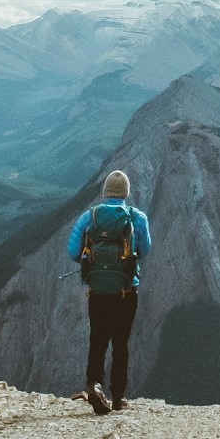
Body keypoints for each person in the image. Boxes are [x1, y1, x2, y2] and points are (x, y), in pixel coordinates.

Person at [65, 168, 151, 414]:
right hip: (126, 291)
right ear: (126, 193)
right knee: (121, 343)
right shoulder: (137, 218)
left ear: (105, 192)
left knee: (98, 339)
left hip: (98, 291)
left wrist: (94, 264)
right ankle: (118, 397)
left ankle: (94, 384)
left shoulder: (89, 217)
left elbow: (73, 252)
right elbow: (144, 251)